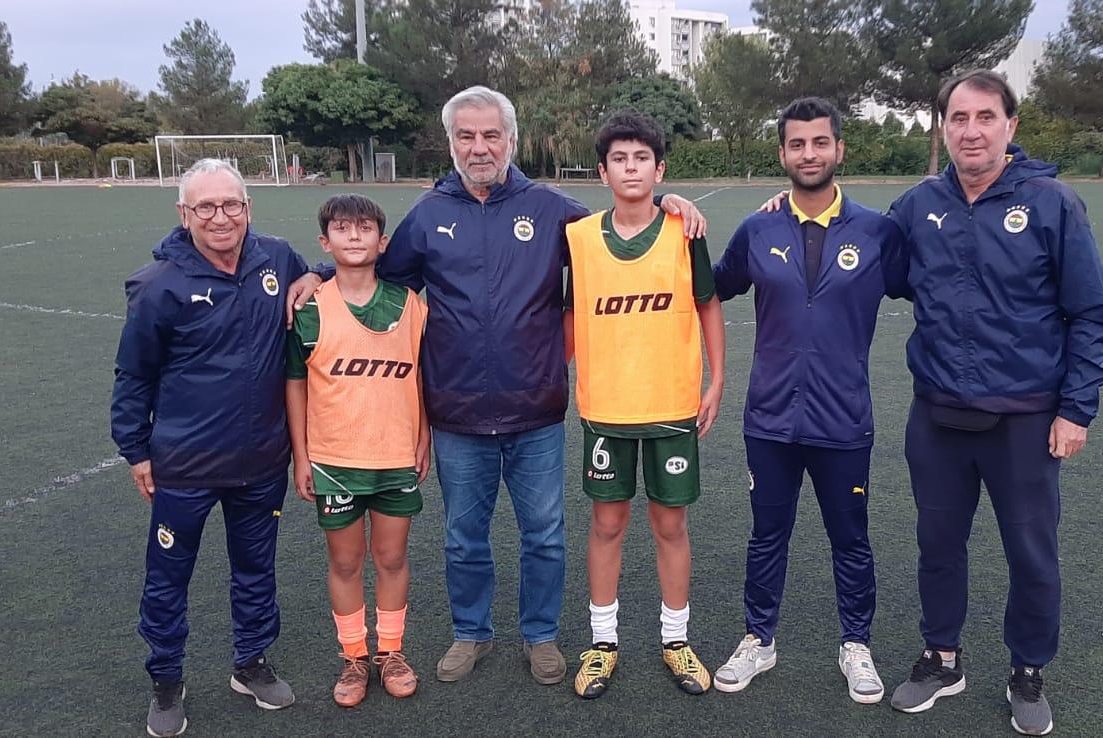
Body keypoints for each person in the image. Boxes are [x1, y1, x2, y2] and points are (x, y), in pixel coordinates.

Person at [287, 86, 708, 687]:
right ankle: (471, 632)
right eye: (467, 135)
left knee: (545, 536)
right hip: (457, 412)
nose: (479, 147)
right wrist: (319, 272)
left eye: (491, 135)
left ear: (511, 139)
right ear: (451, 142)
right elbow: (379, 270)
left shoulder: (552, 209)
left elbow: (616, 224)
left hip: (535, 409)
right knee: (464, 539)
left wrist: (667, 200)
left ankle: (540, 636)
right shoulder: (429, 214)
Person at [885, 70, 1103, 736]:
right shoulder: (917, 205)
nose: (971, 130)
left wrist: (1076, 409)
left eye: (985, 117)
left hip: (1026, 418)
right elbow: (870, 260)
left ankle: (1028, 670)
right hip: (938, 414)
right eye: (958, 118)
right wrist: (786, 208)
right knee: (937, 545)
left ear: (1010, 126)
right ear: (943, 128)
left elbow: (1090, 314)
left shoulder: (1052, 203)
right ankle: (942, 658)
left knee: (1031, 553)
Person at [709, 97, 911, 705]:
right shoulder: (759, 229)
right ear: (782, 153)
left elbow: (928, 287)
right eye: (797, 144)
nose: (809, 154)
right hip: (769, 418)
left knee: (850, 538)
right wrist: (673, 212)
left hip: (843, 418)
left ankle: (856, 645)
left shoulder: (877, 232)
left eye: (820, 142)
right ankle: (759, 639)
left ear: (839, 149)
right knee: (766, 535)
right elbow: (710, 285)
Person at [111, 158, 308, 737]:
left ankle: (251, 662)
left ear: (248, 208)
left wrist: (316, 275)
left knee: (256, 569)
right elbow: (133, 374)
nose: (220, 217)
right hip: (185, 465)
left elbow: (316, 274)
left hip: (261, 461)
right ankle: (166, 679)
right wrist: (136, 450)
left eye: (231, 204)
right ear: (184, 213)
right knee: (168, 578)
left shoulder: (277, 258)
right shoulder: (158, 284)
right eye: (205, 206)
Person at [564, 110, 724, 700]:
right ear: (602, 172)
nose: (630, 169)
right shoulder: (580, 238)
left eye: (641, 159)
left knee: (670, 525)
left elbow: (708, 305)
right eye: (619, 159)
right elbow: (569, 314)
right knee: (607, 524)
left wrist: (717, 380)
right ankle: (603, 642)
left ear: (660, 169)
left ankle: (675, 638)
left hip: (671, 405)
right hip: (606, 408)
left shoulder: (685, 231)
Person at [284, 194, 431, 707]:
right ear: (324, 243)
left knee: (391, 557)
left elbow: (421, 376)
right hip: (335, 461)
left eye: (364, 228)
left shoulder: (410, 305)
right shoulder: (309, 308)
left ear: (382, 242)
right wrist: (302, 455)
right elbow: (295, 384)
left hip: (394, 456)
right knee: (345, 562)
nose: (353, 236)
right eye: (342, 228)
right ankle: (353, 657)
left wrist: (424, 435)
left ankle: (391, 651)